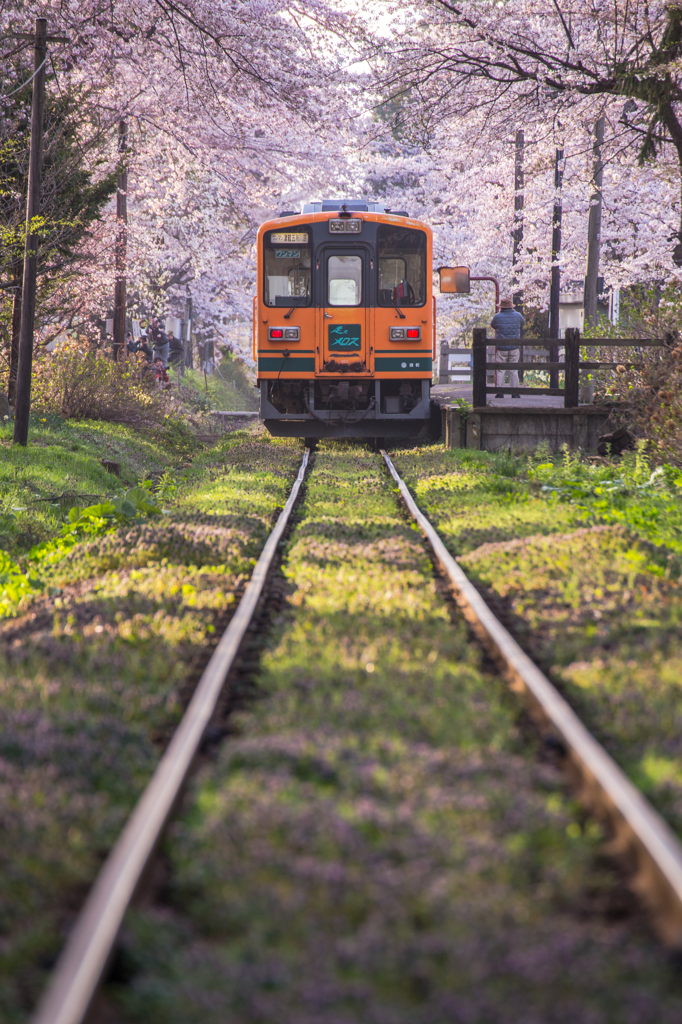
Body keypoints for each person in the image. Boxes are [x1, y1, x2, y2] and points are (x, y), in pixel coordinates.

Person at [490, 297, 524, 398]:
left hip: (501, 347)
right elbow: (521, 324)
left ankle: (500, 392)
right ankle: (515, 393)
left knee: (500, 370)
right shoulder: (518, 315)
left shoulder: (497, 317)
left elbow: (493, 326)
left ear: (501, 307)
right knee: (513, 369)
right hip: (514, 346)